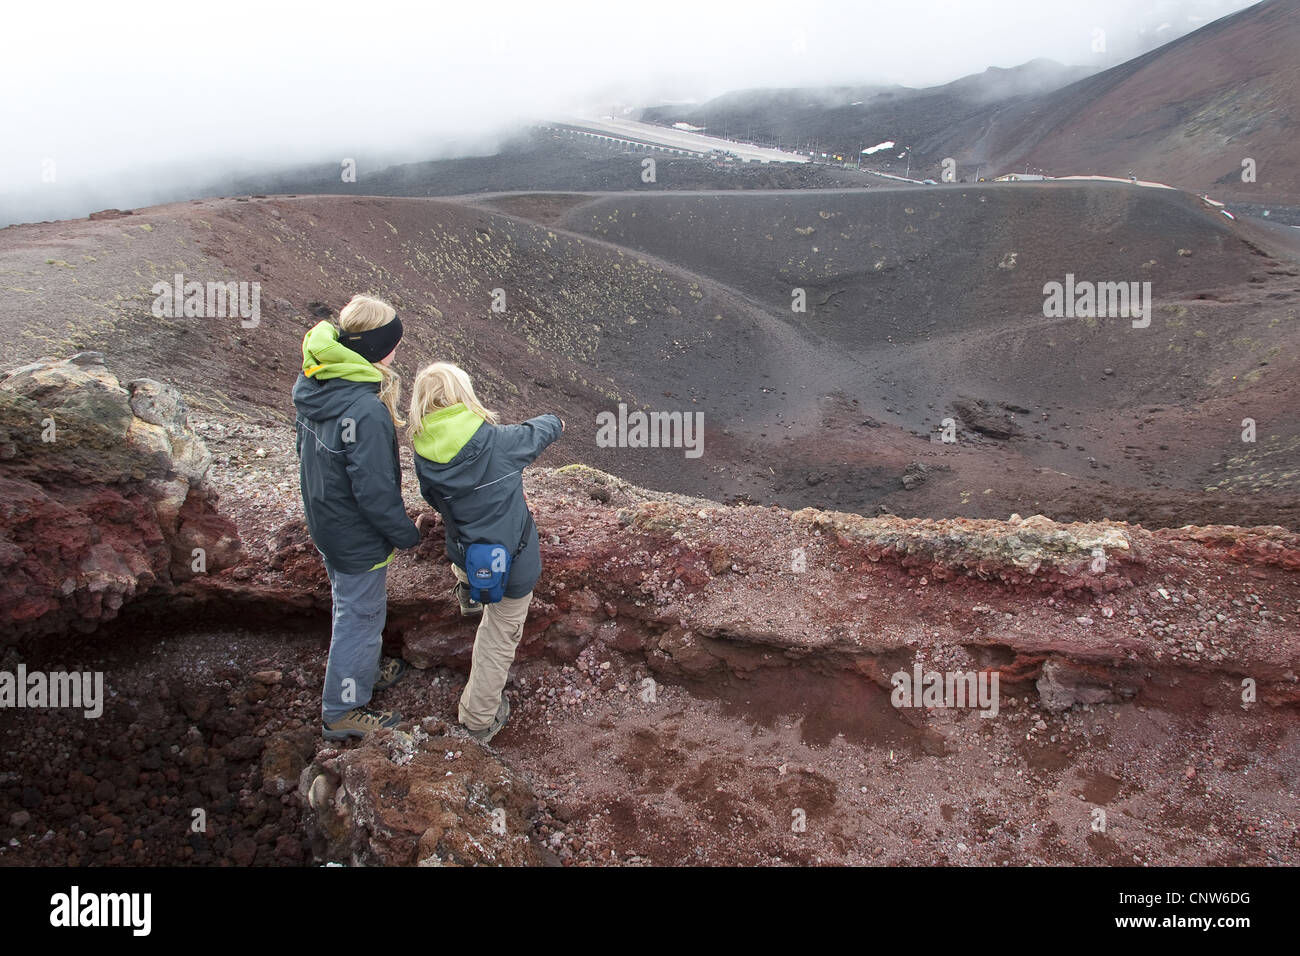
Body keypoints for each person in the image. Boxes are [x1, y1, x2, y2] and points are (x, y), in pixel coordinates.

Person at [408, 362, 563, 743]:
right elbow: (538, 432)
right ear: (465, 396)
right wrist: (557, 420)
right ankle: (479, 719)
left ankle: (469, 594)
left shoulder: (423, 451)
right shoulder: (497, 441)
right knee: (499, 634)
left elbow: (433, 501)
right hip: (513, 561)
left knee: (468, 559)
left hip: (465, 551)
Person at [293, 294, 420, 740]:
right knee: (360, 617)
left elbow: (305, 451)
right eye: (393, 343)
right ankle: (342, 710)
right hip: (354, 534)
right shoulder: (364, 409)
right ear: (376, 348)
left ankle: (360, 671)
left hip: (325, 516)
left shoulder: (318, 380)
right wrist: (405, 534)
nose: (397, 351)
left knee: (353, 608)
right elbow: (374, 490)